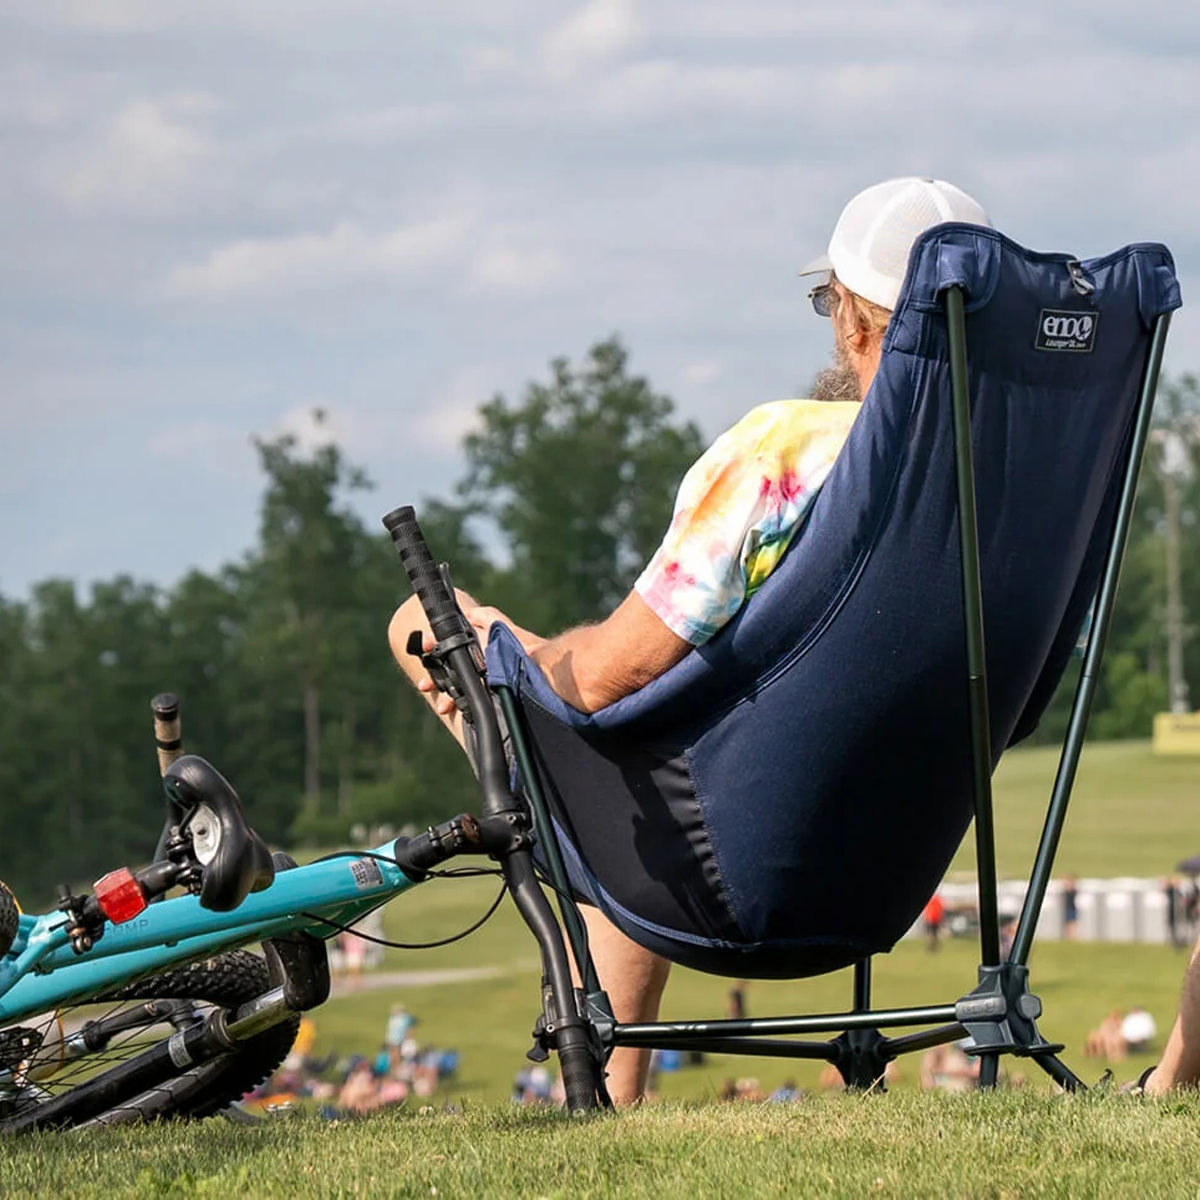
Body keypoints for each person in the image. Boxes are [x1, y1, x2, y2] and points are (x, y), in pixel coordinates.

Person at [390, 177, 991, 1106]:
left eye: (830, 300)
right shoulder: (1017, 485)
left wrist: (510, 656)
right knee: (642, 741)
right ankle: (619, 1090)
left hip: (737, 868)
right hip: (889, 873)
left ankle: (610, 1089)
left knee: (434, 633)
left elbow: (601, 678)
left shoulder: (787, 450)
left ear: (855, 324)